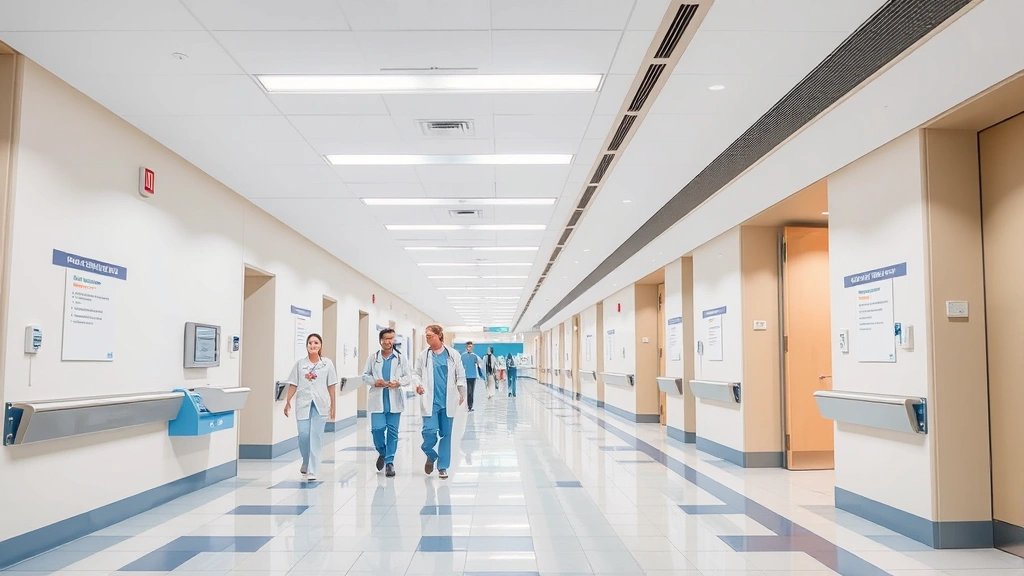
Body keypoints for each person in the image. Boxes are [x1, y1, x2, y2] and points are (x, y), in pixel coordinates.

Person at [283, 333, 338, 481]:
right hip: (303, 404)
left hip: (321, 404)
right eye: (310, 343)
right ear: (307, 346)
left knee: (315, 436)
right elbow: (293, 383)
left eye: (316, 343)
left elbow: (331, 385)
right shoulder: (300, 364)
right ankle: (306, 461)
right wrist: (288, 401)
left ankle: (313, 469)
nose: (313, 345)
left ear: (320, 345)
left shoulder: (327, 364)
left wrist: (333, 405)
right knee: (303, 435)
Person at [414, 324, 466, 479]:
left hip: (448, 400)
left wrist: (461, 393)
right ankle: (431, 453)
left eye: (430, 335)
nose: (427, 338)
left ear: (439, 336)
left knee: (446, 434)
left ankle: (442, 467)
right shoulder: (424, 355)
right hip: (430, 400)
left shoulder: (453, 354)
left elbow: (460, 375)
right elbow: (416, 374)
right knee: (428, 432)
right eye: (426, 335)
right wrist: (418, 385)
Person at [362, 327, 411, 478]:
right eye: (386, 339)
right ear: (380, 340)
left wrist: (399, 382)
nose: (389, 341)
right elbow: (365, 375)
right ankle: (383, 452)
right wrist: (374, 382)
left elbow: (408, 376)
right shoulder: (372, 358)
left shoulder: (401, 358)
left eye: (392, 339)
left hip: (394, 400)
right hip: (377, 400)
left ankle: (389, 462)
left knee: (392, 432)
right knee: (377, 429)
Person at [460, 341, 483, 412]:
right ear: (466, 347)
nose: (470, 348)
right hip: (465, 376)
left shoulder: (475, 356)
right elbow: (460, 366)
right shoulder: (462, 356)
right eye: (469, 346)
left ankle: (470, 406)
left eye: (471, 346)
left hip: (473, 376)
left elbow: (479, 365)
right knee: (467, 391)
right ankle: (467, 405)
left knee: (471, 391)